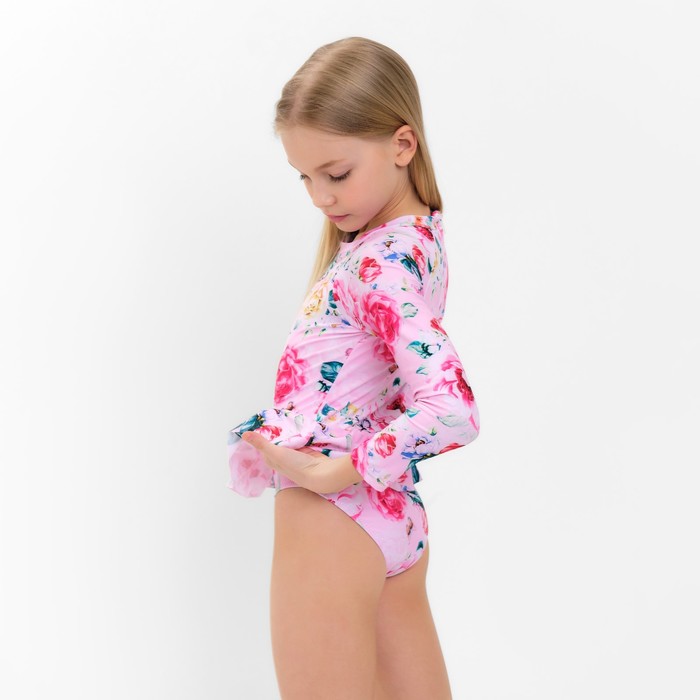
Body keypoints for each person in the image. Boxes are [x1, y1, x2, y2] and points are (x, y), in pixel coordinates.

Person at [226, 36, 480, 700]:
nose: (319, 196)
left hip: (334, 516)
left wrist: (338, 470)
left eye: (336, 174)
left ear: (402, 144)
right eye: (304, 177)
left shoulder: (377, 263)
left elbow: (452, 409)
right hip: (394, 516)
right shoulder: (418, 239)